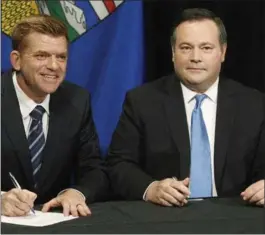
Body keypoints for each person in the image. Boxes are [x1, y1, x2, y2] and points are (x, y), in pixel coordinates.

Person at [107, 8, 264, 207]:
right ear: (173, 53)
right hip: (165, 217)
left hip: (234, 215)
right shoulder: (142, 101)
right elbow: (118, 164)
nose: (195, 57)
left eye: (206, 48)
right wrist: (151, 188)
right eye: (186, 47)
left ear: (222, 52)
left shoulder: (254, 104)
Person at [1, 15, 109, 217]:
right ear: (16, 60)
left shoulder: (77, 100)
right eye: (41, 56)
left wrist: (76, 193)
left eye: (61, 57)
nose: (54, 66)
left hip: (54, 222)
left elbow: (94, 170)